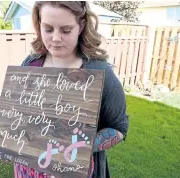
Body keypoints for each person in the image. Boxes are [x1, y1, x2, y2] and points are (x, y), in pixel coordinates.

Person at [14, 1, 129, 178]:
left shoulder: (99, 73)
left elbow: (119, 128)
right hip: (28, 170)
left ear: (81, 26)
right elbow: (19, 113)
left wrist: (78, 146)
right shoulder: (31, 64)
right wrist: (8, 135)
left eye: (66, 30)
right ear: (39, 24)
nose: (56, 38)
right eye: (48, 29)